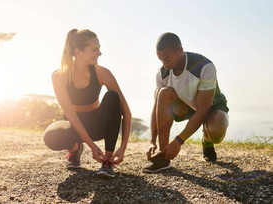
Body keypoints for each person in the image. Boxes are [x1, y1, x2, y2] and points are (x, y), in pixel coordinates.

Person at [43, 29, 131, 177]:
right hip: (74, 124)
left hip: (97, 124)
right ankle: (75, 148)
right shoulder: (59, 76)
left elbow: (126, 112)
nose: (99, 53)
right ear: (78, 52)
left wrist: (123, 147)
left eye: (99, 49)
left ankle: (107, 161)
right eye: (95, 49)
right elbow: (71, 115)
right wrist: (92, 146)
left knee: (112, 97)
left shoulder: (103, 73)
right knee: (51, 136)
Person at [142, 32, 229, 173]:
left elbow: (202, 111)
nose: (164, 64)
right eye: (161, 60)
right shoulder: (162, 72)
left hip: (210, 107)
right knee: (163, 93)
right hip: (185, 106)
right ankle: (163, 157)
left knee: (216, 131)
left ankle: (207, 139)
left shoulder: (205, 66)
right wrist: (152, 140)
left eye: (167, 59)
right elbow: (156, 105)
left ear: (180, 51)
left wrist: (178, 141)